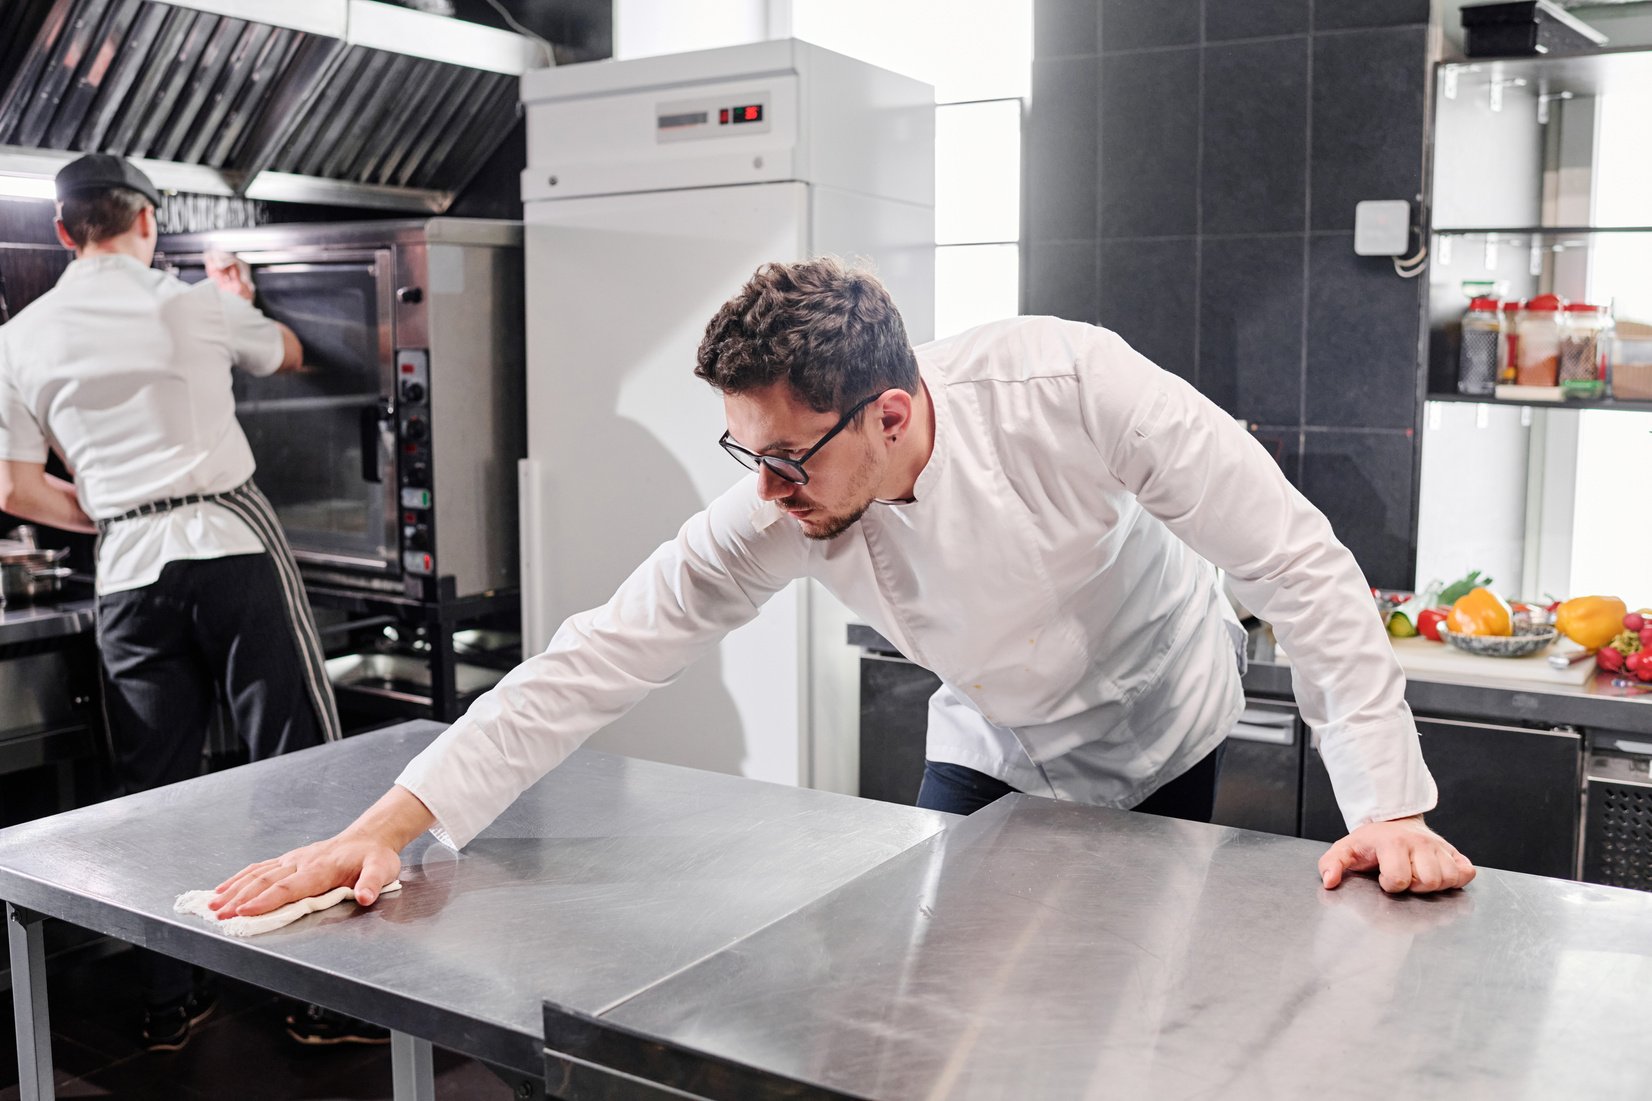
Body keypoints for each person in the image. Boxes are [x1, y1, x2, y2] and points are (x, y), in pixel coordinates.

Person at [211, 256, 1475, 926]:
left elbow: (1294, 562)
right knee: (940, 996)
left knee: (1130, 991)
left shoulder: (1073, 385)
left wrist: (1392, 805)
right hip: (992, 738)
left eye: (783, 457)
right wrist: (383, 829)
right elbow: (598, 655)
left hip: (1160, 717)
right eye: (742, 453)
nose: (762, 490)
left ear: (888, 410)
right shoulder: (793, 497)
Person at [0, 154, 346, 1051]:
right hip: (231, 545)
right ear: (146, 223)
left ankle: (169, 1004)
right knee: (296, 764)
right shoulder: (189, 303)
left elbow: (16, 488)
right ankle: (319, 1000)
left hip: (127, 573)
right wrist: (237, 296)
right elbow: (294, 352)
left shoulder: (21, 336)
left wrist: (118, 509)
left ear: (64, 232)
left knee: (153, 792)